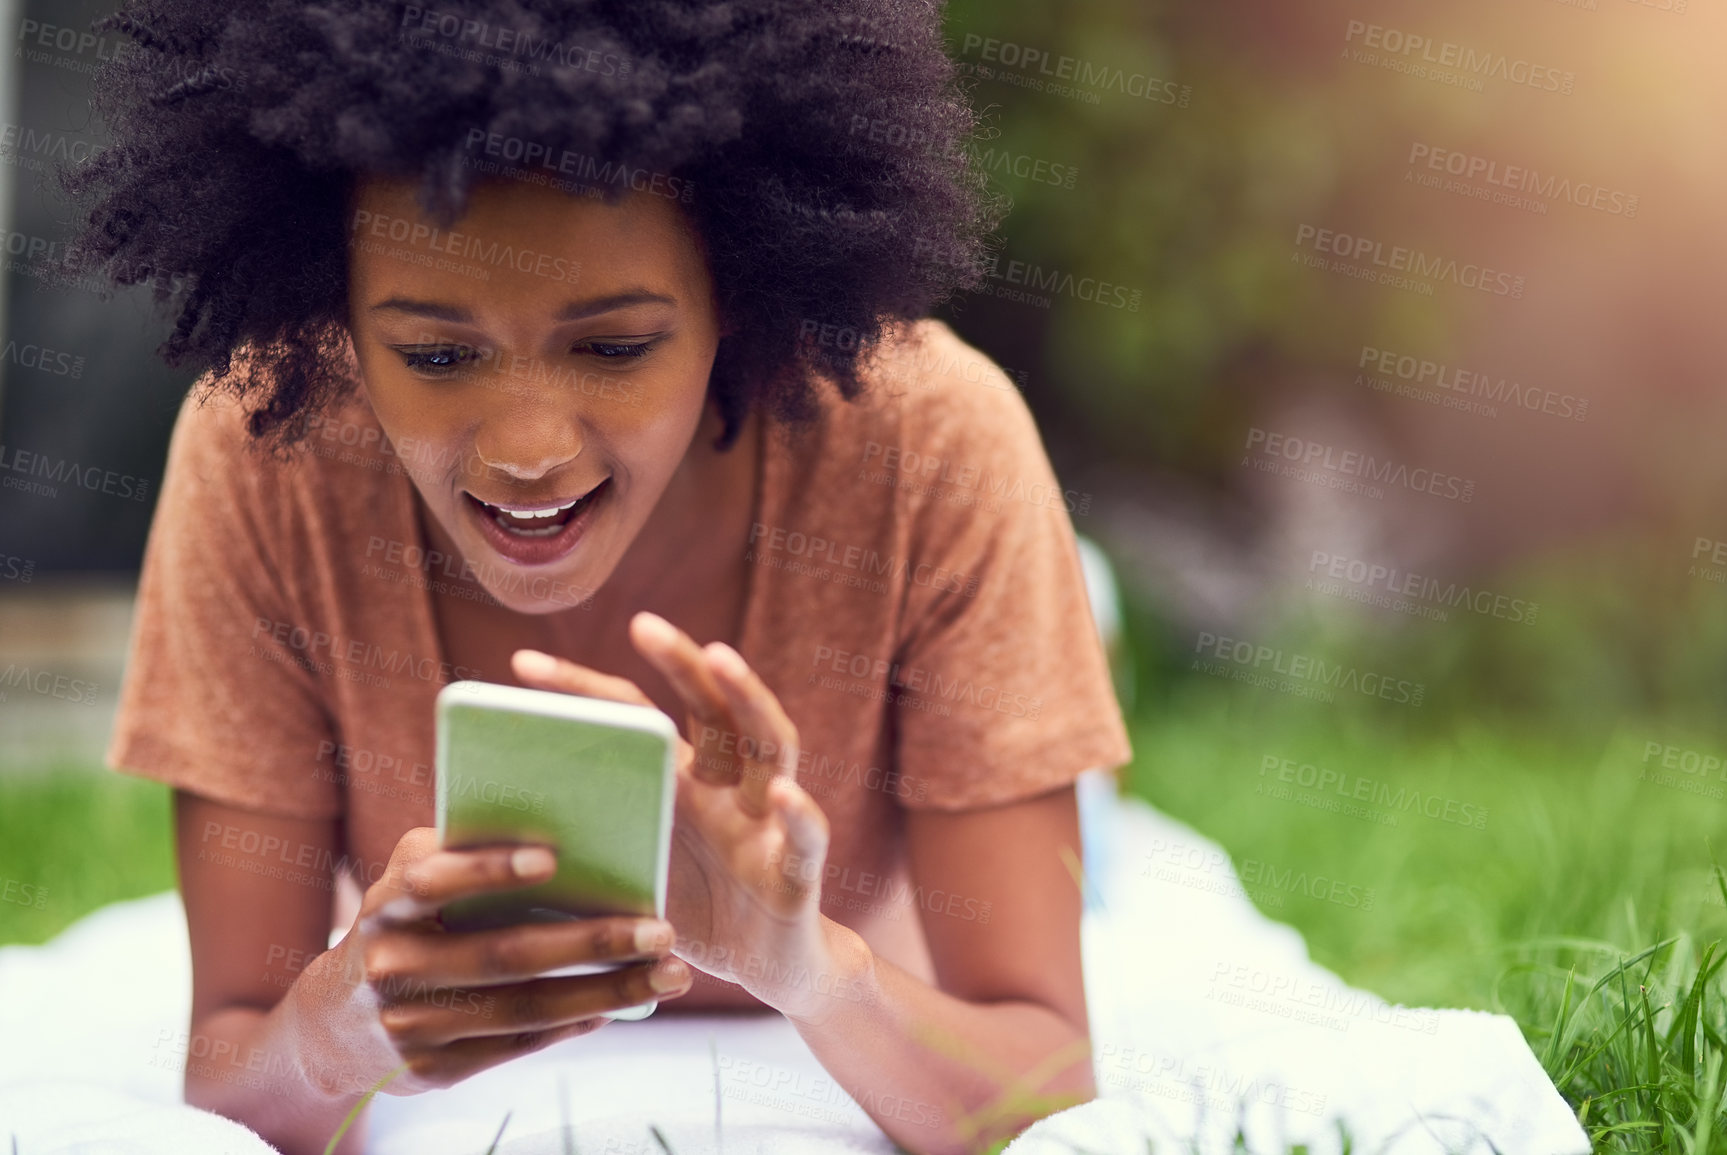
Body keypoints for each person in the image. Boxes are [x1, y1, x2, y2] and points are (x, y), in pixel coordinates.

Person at [65, 2, 1132, 1152]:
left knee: (1103, 841)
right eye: (434, 354)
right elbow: (234, 1076)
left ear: (738, 290)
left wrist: (811, 968)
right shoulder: (263, 454)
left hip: (926, 754)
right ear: (336, 316)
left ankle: (1079, 609)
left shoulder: (936, 443)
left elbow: (1043, 1082)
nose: (527, 451)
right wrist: (339, 1034)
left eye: (614, 347)